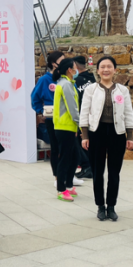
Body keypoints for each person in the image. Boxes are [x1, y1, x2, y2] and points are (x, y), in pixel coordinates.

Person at [80, 56, 133, 221]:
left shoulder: (122, 90)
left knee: (114, 172)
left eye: (109, 66)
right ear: (97, 70)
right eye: (102, 67)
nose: (106, 70)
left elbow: (128, 113)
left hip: (117, 133)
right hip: (96, 133)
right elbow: (84, 112)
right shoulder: (91, 89)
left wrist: (130, 136)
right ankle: (100, 206)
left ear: (115, 70)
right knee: (98, 171)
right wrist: (84, 135)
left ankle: (111, 206)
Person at [31, 51, 65, 185]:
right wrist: (41, 111)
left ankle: (68, 175)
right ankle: (57, 177)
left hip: (67, 119)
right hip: (52, 119)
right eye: (61, 61)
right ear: (53, 63)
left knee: (69, 148)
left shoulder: (66, 78)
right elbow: (35, 97)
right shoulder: (44, 80)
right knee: (56, 148)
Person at [53, 59, 81, 202]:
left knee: (74, 156)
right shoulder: (66, 85)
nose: (76, 70)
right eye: (75, 67)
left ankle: (69, 185)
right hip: (64, 127)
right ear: (70, 70)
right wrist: (81, 125)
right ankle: (61, 189)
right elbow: (72, 108)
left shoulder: (67, 83)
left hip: (68, 126)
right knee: (65, 158)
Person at [70, 56, 95, 180]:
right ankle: (90, 167)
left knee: (80, 142)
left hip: (82, 116)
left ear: (75, 65)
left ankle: (87, 167)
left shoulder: (77, 81)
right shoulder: (92, 78)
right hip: (93, 115)